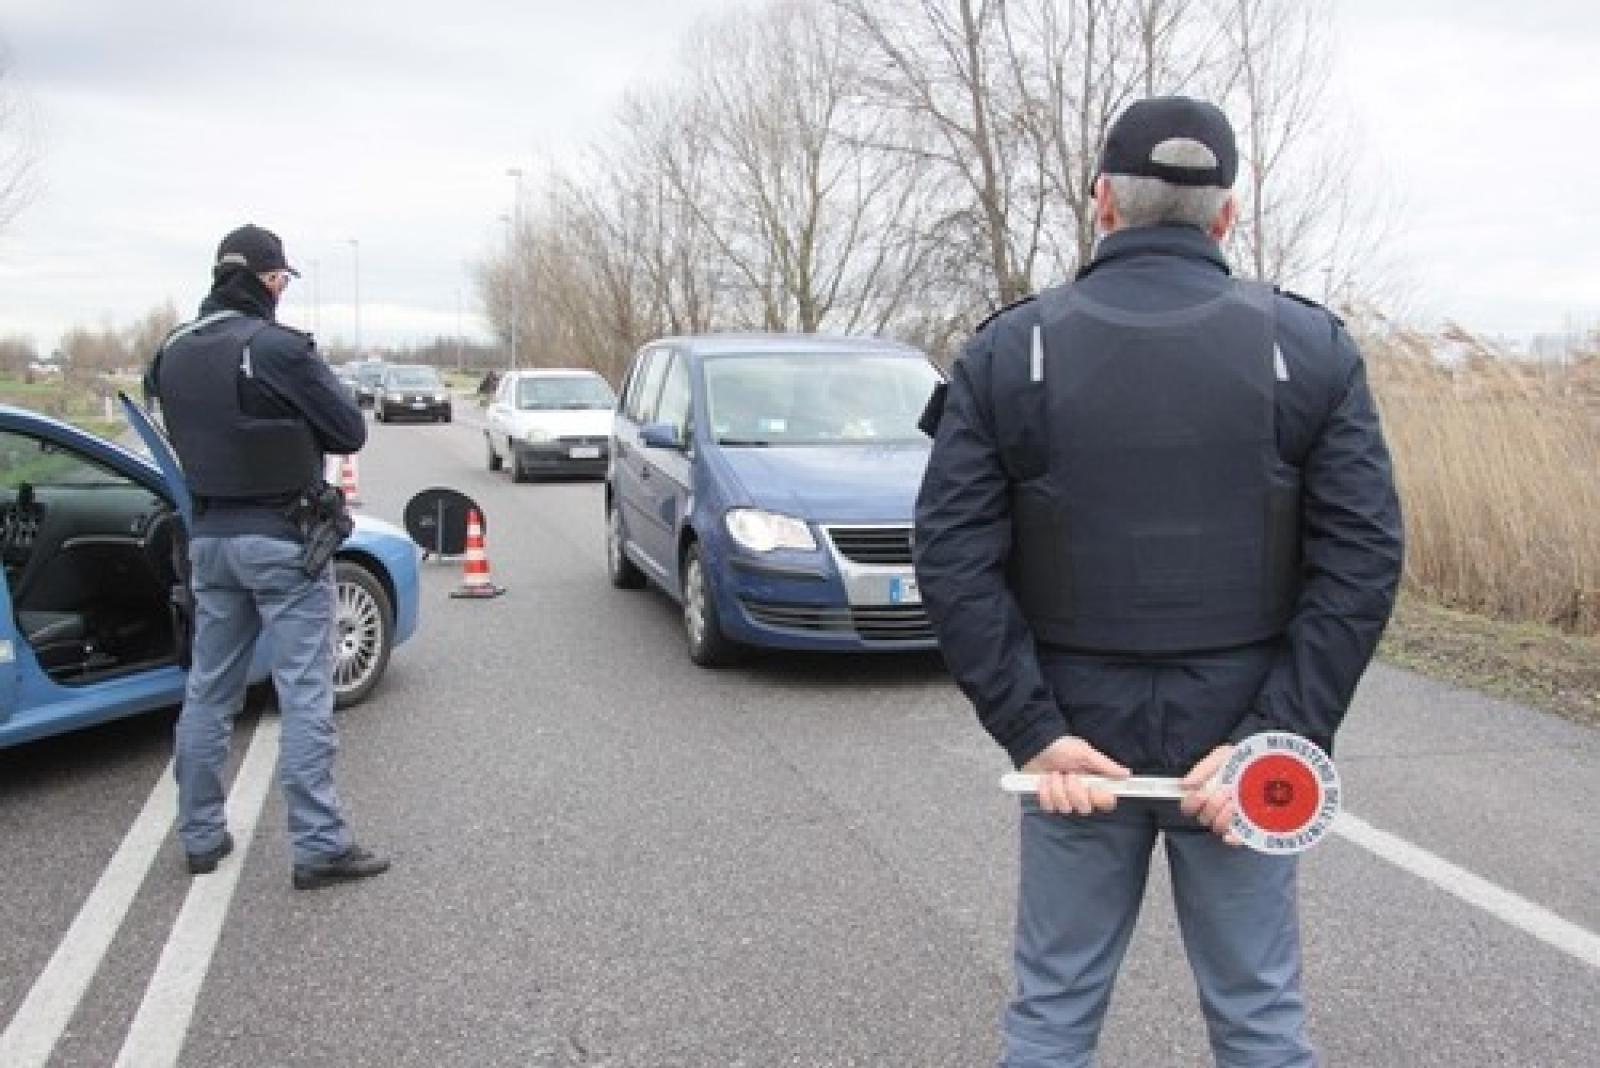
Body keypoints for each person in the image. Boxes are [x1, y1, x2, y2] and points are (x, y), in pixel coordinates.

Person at [913, 97, 1403, 1066]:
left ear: (1101, 201)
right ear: (1226, 214)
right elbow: (1361, 557)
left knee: (1050, 1017)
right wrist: (1275, 737)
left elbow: (952, 554)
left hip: (1075, 748)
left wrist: (1036, 731)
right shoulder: (1309, 350)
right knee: (1260, 1021)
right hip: (1237, 745)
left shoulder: (1009, 352)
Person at [148, 223, 390, 891]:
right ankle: (319, 847)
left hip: (210, 544)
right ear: (271, 280)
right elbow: (348, 429)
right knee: (305, 692)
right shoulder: (276, 348)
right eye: (281, 278)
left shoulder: (171, 350)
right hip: (283, 543)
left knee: (208, 693)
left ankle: (200, 836)